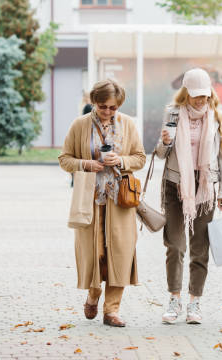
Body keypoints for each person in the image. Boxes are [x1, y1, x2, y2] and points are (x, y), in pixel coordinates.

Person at [58, 79, 146, 327]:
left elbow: (140, 158)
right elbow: (64, 159)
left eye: (113, 107)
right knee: (95, 254)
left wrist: (120, 160)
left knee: (119, 253)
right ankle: (93, 295)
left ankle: (112, 310)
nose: (107, 111)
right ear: (93, 102)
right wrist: (86, 164)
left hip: (120, 199)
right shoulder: (80, 125)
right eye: (102, 106)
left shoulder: (128, 124)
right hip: (90, 199)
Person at [155, 68, 222, 325]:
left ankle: (194, 302)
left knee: (200, 248)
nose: (201, 100)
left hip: (205, 187)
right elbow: (161, 153)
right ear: (186, 92)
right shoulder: (173, 113)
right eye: (196, 95)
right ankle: (174, 300)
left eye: (205, 95)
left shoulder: (218, 116)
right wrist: (165, 142)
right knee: (175, 245)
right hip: (175, 185)